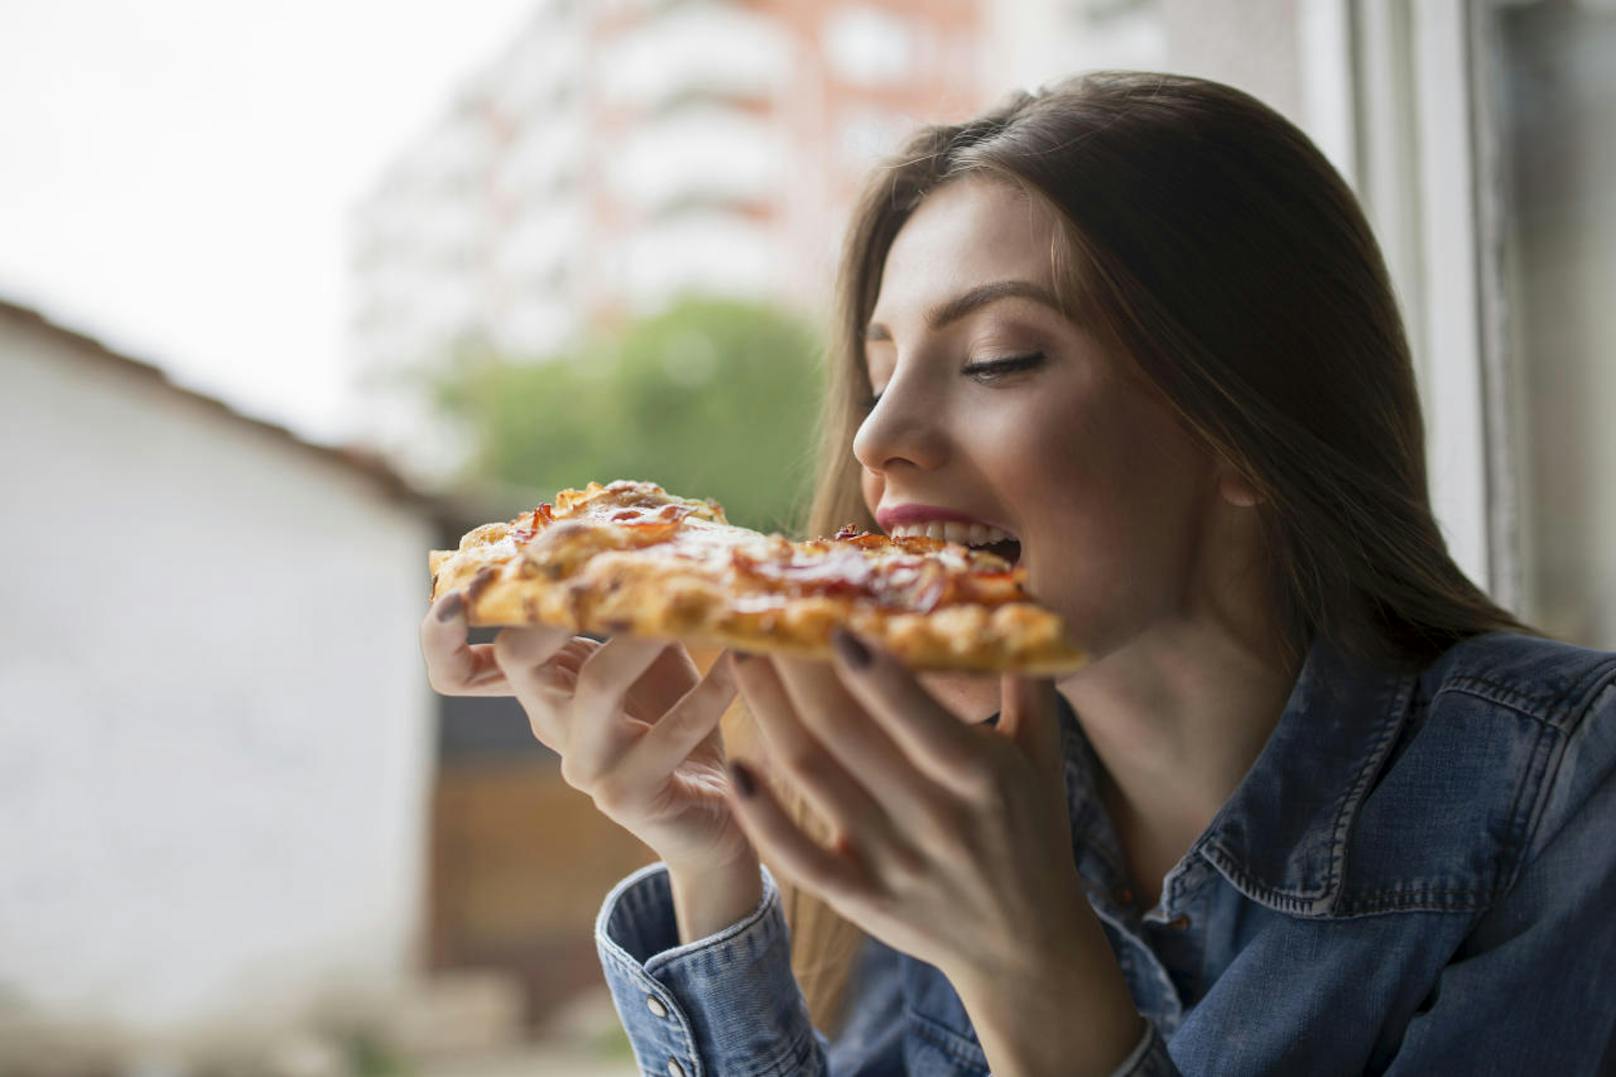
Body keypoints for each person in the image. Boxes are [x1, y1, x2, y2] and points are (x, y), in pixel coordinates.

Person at [420, 72, 1616, 1075]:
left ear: (1243, 430)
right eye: (879, 368)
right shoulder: (940, 793)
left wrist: (1035, 979)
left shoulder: (1566, 789)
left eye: (996, 359)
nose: (873, 440)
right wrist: (715, 857)